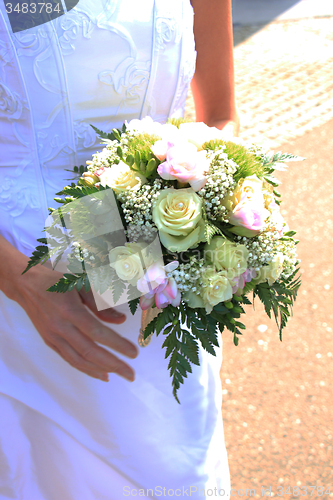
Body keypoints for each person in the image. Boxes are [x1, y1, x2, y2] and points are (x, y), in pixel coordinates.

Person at [0, 0, 238, 498]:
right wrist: (21, 283)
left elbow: (219, 116)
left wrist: (213, 197)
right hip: (26, 283)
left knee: (174, 470)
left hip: (167, 272)